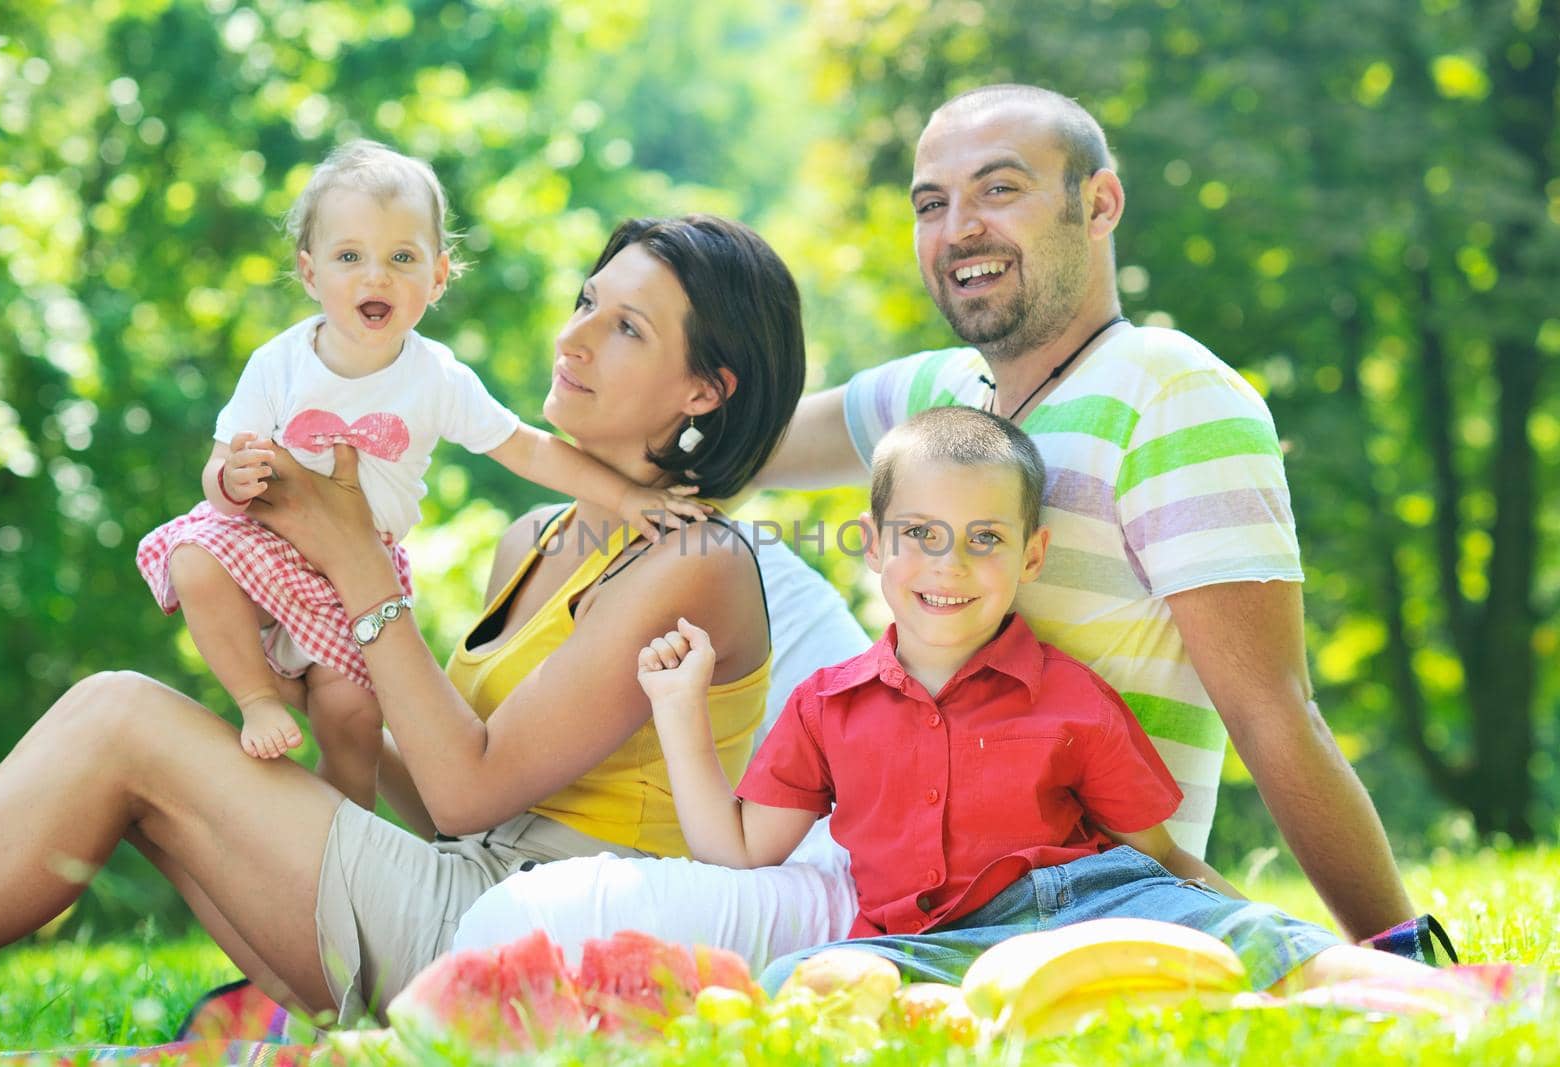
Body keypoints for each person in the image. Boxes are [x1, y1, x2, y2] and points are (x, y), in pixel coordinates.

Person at [453, 81, 1413, 964]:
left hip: (1054, 866)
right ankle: (589, 822)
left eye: (1000, 190)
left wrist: (1388, 940)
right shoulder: (942, 393)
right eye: (931, 203)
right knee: (730, 545)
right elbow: (698, 427)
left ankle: (569, 848)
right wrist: (461, 431)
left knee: (724, 553)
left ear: (1100, 203)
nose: (961, 229)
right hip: (889, 798)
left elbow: (1272, 711)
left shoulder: (1175, 395)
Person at [0, 214, 804, 1026]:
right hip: (459, 883)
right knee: (140, 731)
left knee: (122, 717)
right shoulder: (534, 540)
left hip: (535, 947)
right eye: (586, 302)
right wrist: (312, 677)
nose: (573, 338)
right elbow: (453, 796)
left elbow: (468, 793)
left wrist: (356, 560)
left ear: (706, 389)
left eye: (627, 328)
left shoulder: (697, 562)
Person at [640, 407, 1433, 996]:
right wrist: (680, 707)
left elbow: (1159, 860)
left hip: (1101, 905)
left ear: (1032, 554)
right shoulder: (826, 707)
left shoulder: (1070, 697)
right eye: (920, 533)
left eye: (985, 539)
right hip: (936, 944)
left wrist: (1251, 923)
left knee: (1272, 946)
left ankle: (1462, 1000)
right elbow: (740, 849)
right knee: (799, 982)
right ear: (873, 542)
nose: (949, 566)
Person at [133, 140, 704, 809]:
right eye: (350, 257)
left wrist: (629, 496)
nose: (376, 277)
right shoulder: (281, 362)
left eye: (401, 258)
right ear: (310, 273)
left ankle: (341, 837)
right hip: (265, 549)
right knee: (196, 557)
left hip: (358, 575)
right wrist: (231, 479)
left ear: (437, 277)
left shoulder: (435, 378)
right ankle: (258, 698)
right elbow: (219, 468)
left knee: (351, 721)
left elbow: (527, 448)